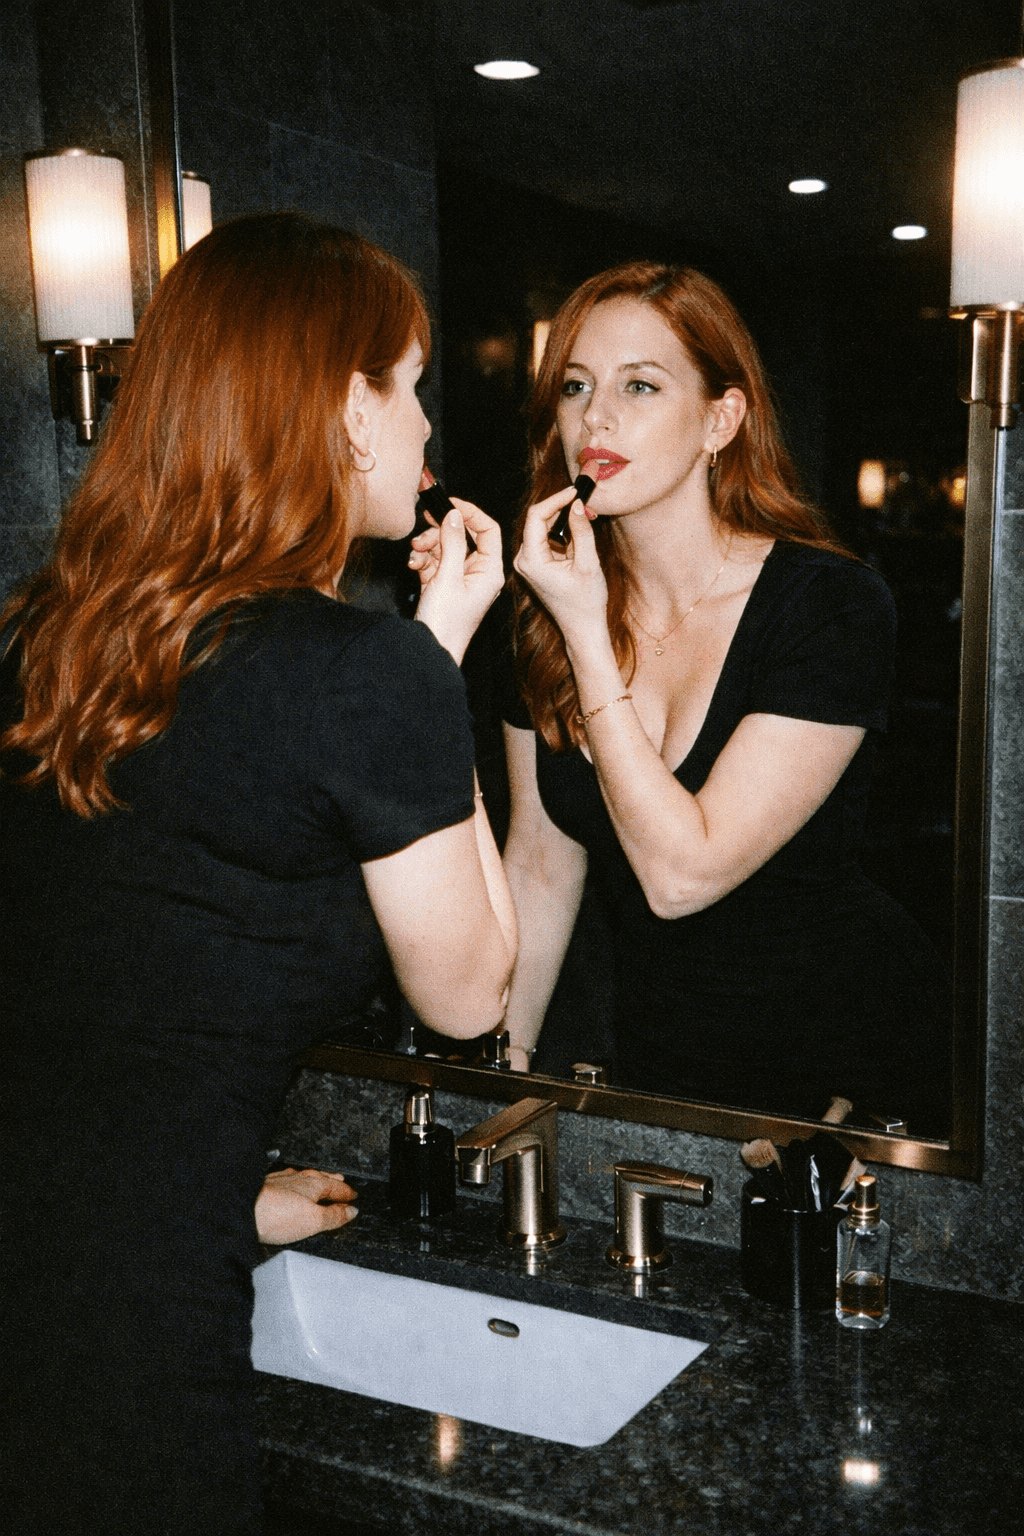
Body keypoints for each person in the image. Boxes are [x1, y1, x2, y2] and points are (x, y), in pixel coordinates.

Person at [0, 214, 515, 1535]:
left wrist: (214, 1188)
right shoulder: (368, 668)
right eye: (409, 387)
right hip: (120, 1346)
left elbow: (103, 991)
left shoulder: (39, 636)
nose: (423, 430)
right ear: (348, 406)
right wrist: (435, 653)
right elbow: (468, 995)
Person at [498, 260, 948, 1127]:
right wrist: (502, 1071)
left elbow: (682, 875)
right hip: (660, 1057)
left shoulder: (829, 606)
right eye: (576, 386)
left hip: (851, 1064)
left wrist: (590, 636)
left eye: (641, 385)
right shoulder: (544, 610)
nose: (597, 415)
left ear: (720, 419)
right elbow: (541, 869)